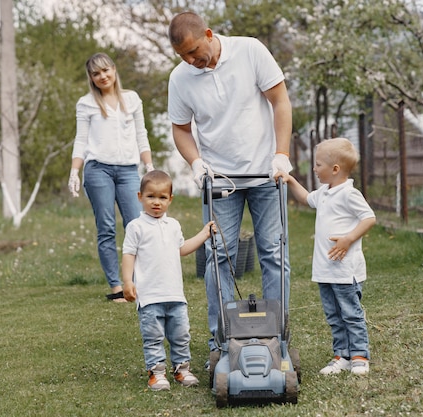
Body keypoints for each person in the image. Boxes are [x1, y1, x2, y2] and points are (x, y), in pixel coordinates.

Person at [167, 11, 294, 353]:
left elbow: (280, 101)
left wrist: (281, 155)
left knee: (274, 253)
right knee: (219, 257)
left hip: (266, 174)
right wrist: (196, 163)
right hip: (220, 179)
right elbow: (180, 129)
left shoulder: (250, 50)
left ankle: (277, 335)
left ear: (208, 34)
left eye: (194, 52)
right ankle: (220, 339)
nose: (191, 60)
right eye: (183, 56)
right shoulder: (180, 78)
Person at [276, 137, 376, 376]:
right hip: (325, 270)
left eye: (318, 164)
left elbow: (369, 218)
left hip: (345, 270)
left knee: (351, 314)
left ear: (335, 169)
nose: (314, 168)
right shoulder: (324, 193)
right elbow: (305, 198)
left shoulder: (349, 194)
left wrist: (348, 238)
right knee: (333, 316)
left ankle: (360, 356)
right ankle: (341, 355)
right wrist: (290, 179)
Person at [68, 52, 154, 303]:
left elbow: (142, 134)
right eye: (96, 73)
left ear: (114, 70)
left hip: (128, 170)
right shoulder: (86, 104)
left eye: (106, 70)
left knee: (136, 225)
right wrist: (75, 171)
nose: (102, 76)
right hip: (98, 171)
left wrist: (149, 165)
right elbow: (81, 140)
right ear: (91, 78)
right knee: (106, 227)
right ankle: (117, 287)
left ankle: (138, 282)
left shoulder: (132, 99)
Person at [121, 170, 216, 390]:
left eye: (162, 197)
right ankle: (156, 372)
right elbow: (128, 255)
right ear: (140, 197)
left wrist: (203, 234)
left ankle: (182, 369)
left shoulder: (173, 225)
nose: (156, 202)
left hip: (175, 294)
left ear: (170, 199)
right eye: (151, 196)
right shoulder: (136, 227)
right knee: (153, 337)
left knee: (181, 334)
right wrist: (127, 281)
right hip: (150, 296)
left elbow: (181, 249)